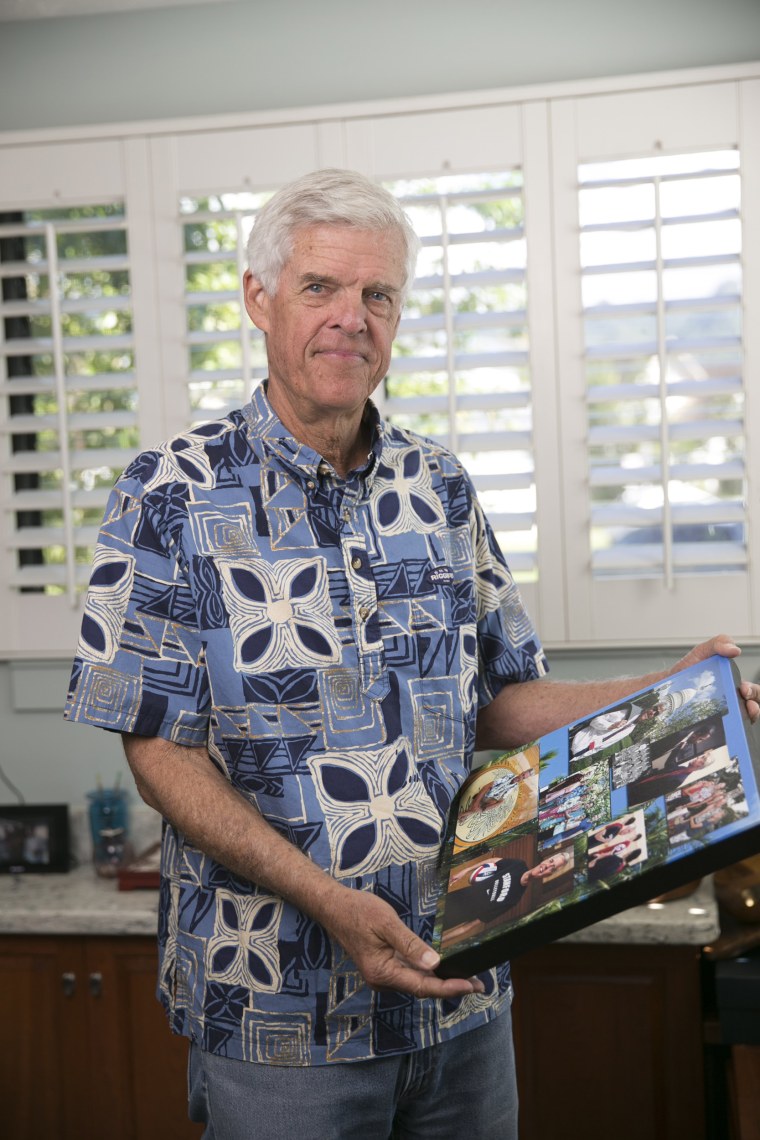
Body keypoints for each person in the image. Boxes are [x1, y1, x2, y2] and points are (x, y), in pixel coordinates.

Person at [62, 167, 760, 1140]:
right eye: (321, 288)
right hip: (277, 1024)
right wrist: (330, 902)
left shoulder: (440, 485)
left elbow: (497, 703)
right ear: (258, 299)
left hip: (461, 1002)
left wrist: (664, 688)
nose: (352, 317)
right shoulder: (168, 495)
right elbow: (157, 748)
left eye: (376, 295)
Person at [440, 852, 572, 947]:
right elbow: (492, 861)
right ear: (546, 859)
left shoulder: (515, 899)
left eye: (552, 869)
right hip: (450, 899)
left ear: (549, 874)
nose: (547, 867)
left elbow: (469, 927)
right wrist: (466, 871)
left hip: (452, 919)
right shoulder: (518, 865)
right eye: (550, 862)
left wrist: (441, 939)